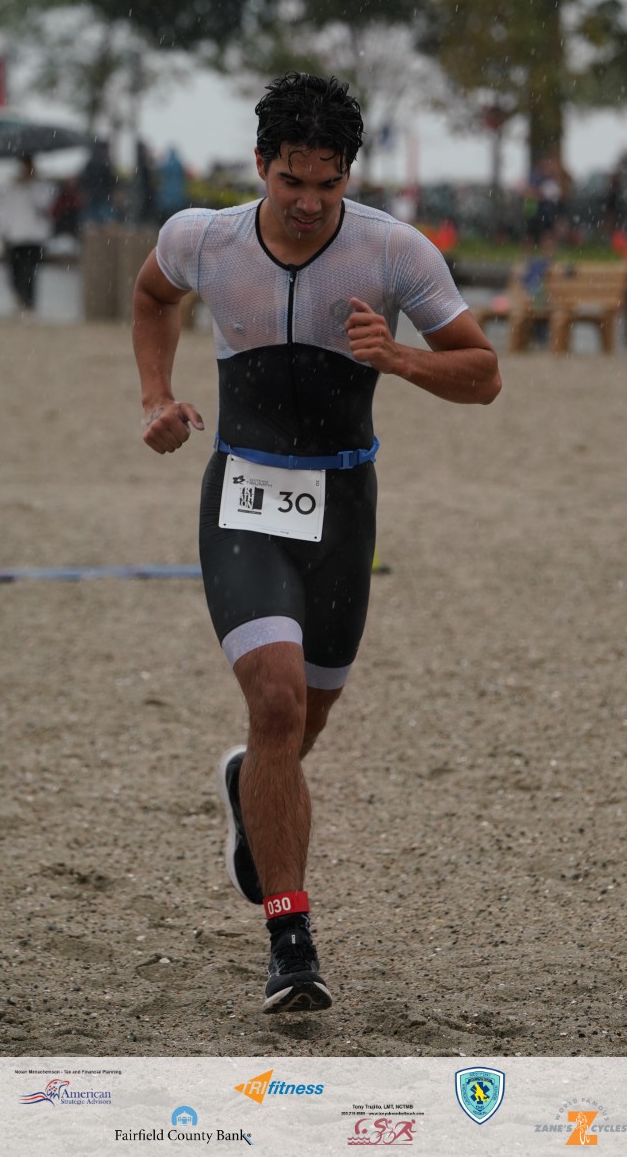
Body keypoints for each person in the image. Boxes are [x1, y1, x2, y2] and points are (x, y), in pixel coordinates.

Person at [132, 72, 501, 1014]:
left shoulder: (393, 250)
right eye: (291, 180)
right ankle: (290, 938)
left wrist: (399, 357)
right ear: (261, 163)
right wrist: (156, 397)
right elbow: (151, 295)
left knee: (302, 730)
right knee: (276, 704)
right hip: (244, 497)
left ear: (349, 176)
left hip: (344, 506)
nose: (307, 202)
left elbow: (483, 373)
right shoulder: (204, 238)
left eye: (327, 184)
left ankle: (246, 785)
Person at [0, 153, 53, 312]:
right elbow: (3, 211)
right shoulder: (11, 185)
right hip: (15, 236)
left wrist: (31, 185)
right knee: (14, 272)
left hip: (34, 236)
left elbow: (44, 205)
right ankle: (20, 299)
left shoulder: (41, 185)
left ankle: (29, 303)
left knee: (29, 271)